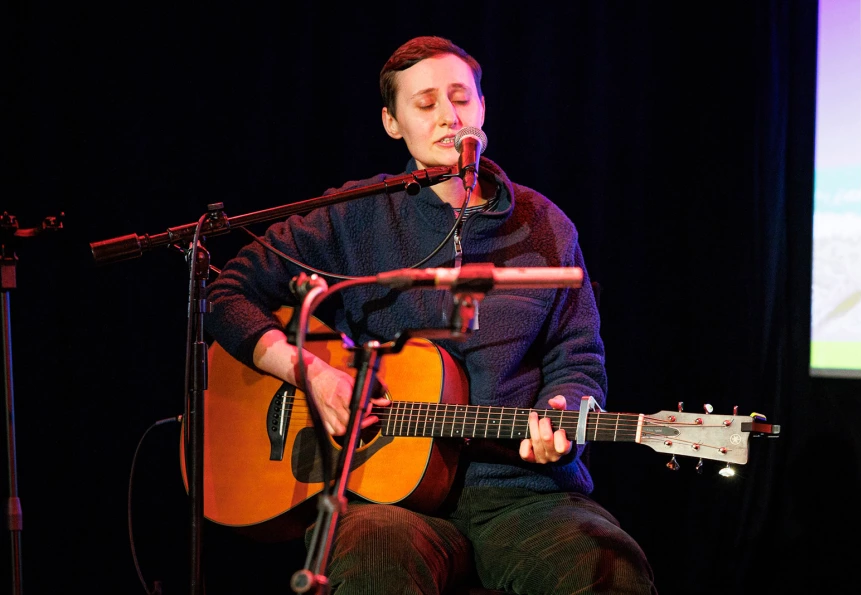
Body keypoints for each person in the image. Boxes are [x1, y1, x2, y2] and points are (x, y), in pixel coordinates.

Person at [204, 35, 658, 595]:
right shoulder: (352, 214)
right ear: (393, 123)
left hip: (525, 497)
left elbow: (577, 357)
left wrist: (563, 412)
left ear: (483, 107)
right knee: (371, 551)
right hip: (389, 497)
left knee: (608, 568)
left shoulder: (547, 226)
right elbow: (228, 295)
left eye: (461, 97)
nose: (449, 117)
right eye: (424, 104)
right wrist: (312, 374)